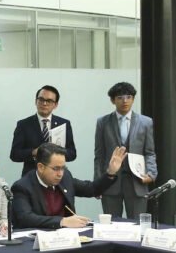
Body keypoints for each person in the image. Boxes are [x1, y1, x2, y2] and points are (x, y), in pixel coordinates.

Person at [13, 142, 126, 229]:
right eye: (56, 169)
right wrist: (63, 221)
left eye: (63, 168)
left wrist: (111, 172)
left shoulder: (65, 177)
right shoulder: (22, 187)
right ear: (41, 167)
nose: (60, 174)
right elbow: (26, 218)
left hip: (66, 237)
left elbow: (91, 189)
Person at [94, 81, 157, 220]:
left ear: (133, 99)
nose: (125, 101)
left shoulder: (146, 122)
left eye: (129, 97)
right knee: (111, 225)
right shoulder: (103, 122)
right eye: (120, 98)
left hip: (137, 181)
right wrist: (98, 184)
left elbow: (149, 152)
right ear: (113, 100)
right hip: (110, 182)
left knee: (137, 225)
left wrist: (151, 173)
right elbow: (99, 155)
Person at [10, 85, 76, 176]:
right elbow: (14, 155)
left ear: (55, 105)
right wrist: (33, 152)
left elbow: (72, 154)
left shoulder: (64, 124)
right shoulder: (23, 124)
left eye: (49, 101)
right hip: (31, 177)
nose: (44, 103)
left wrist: (58, 152)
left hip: (57, 176)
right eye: (41, 99)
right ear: (35, 101)